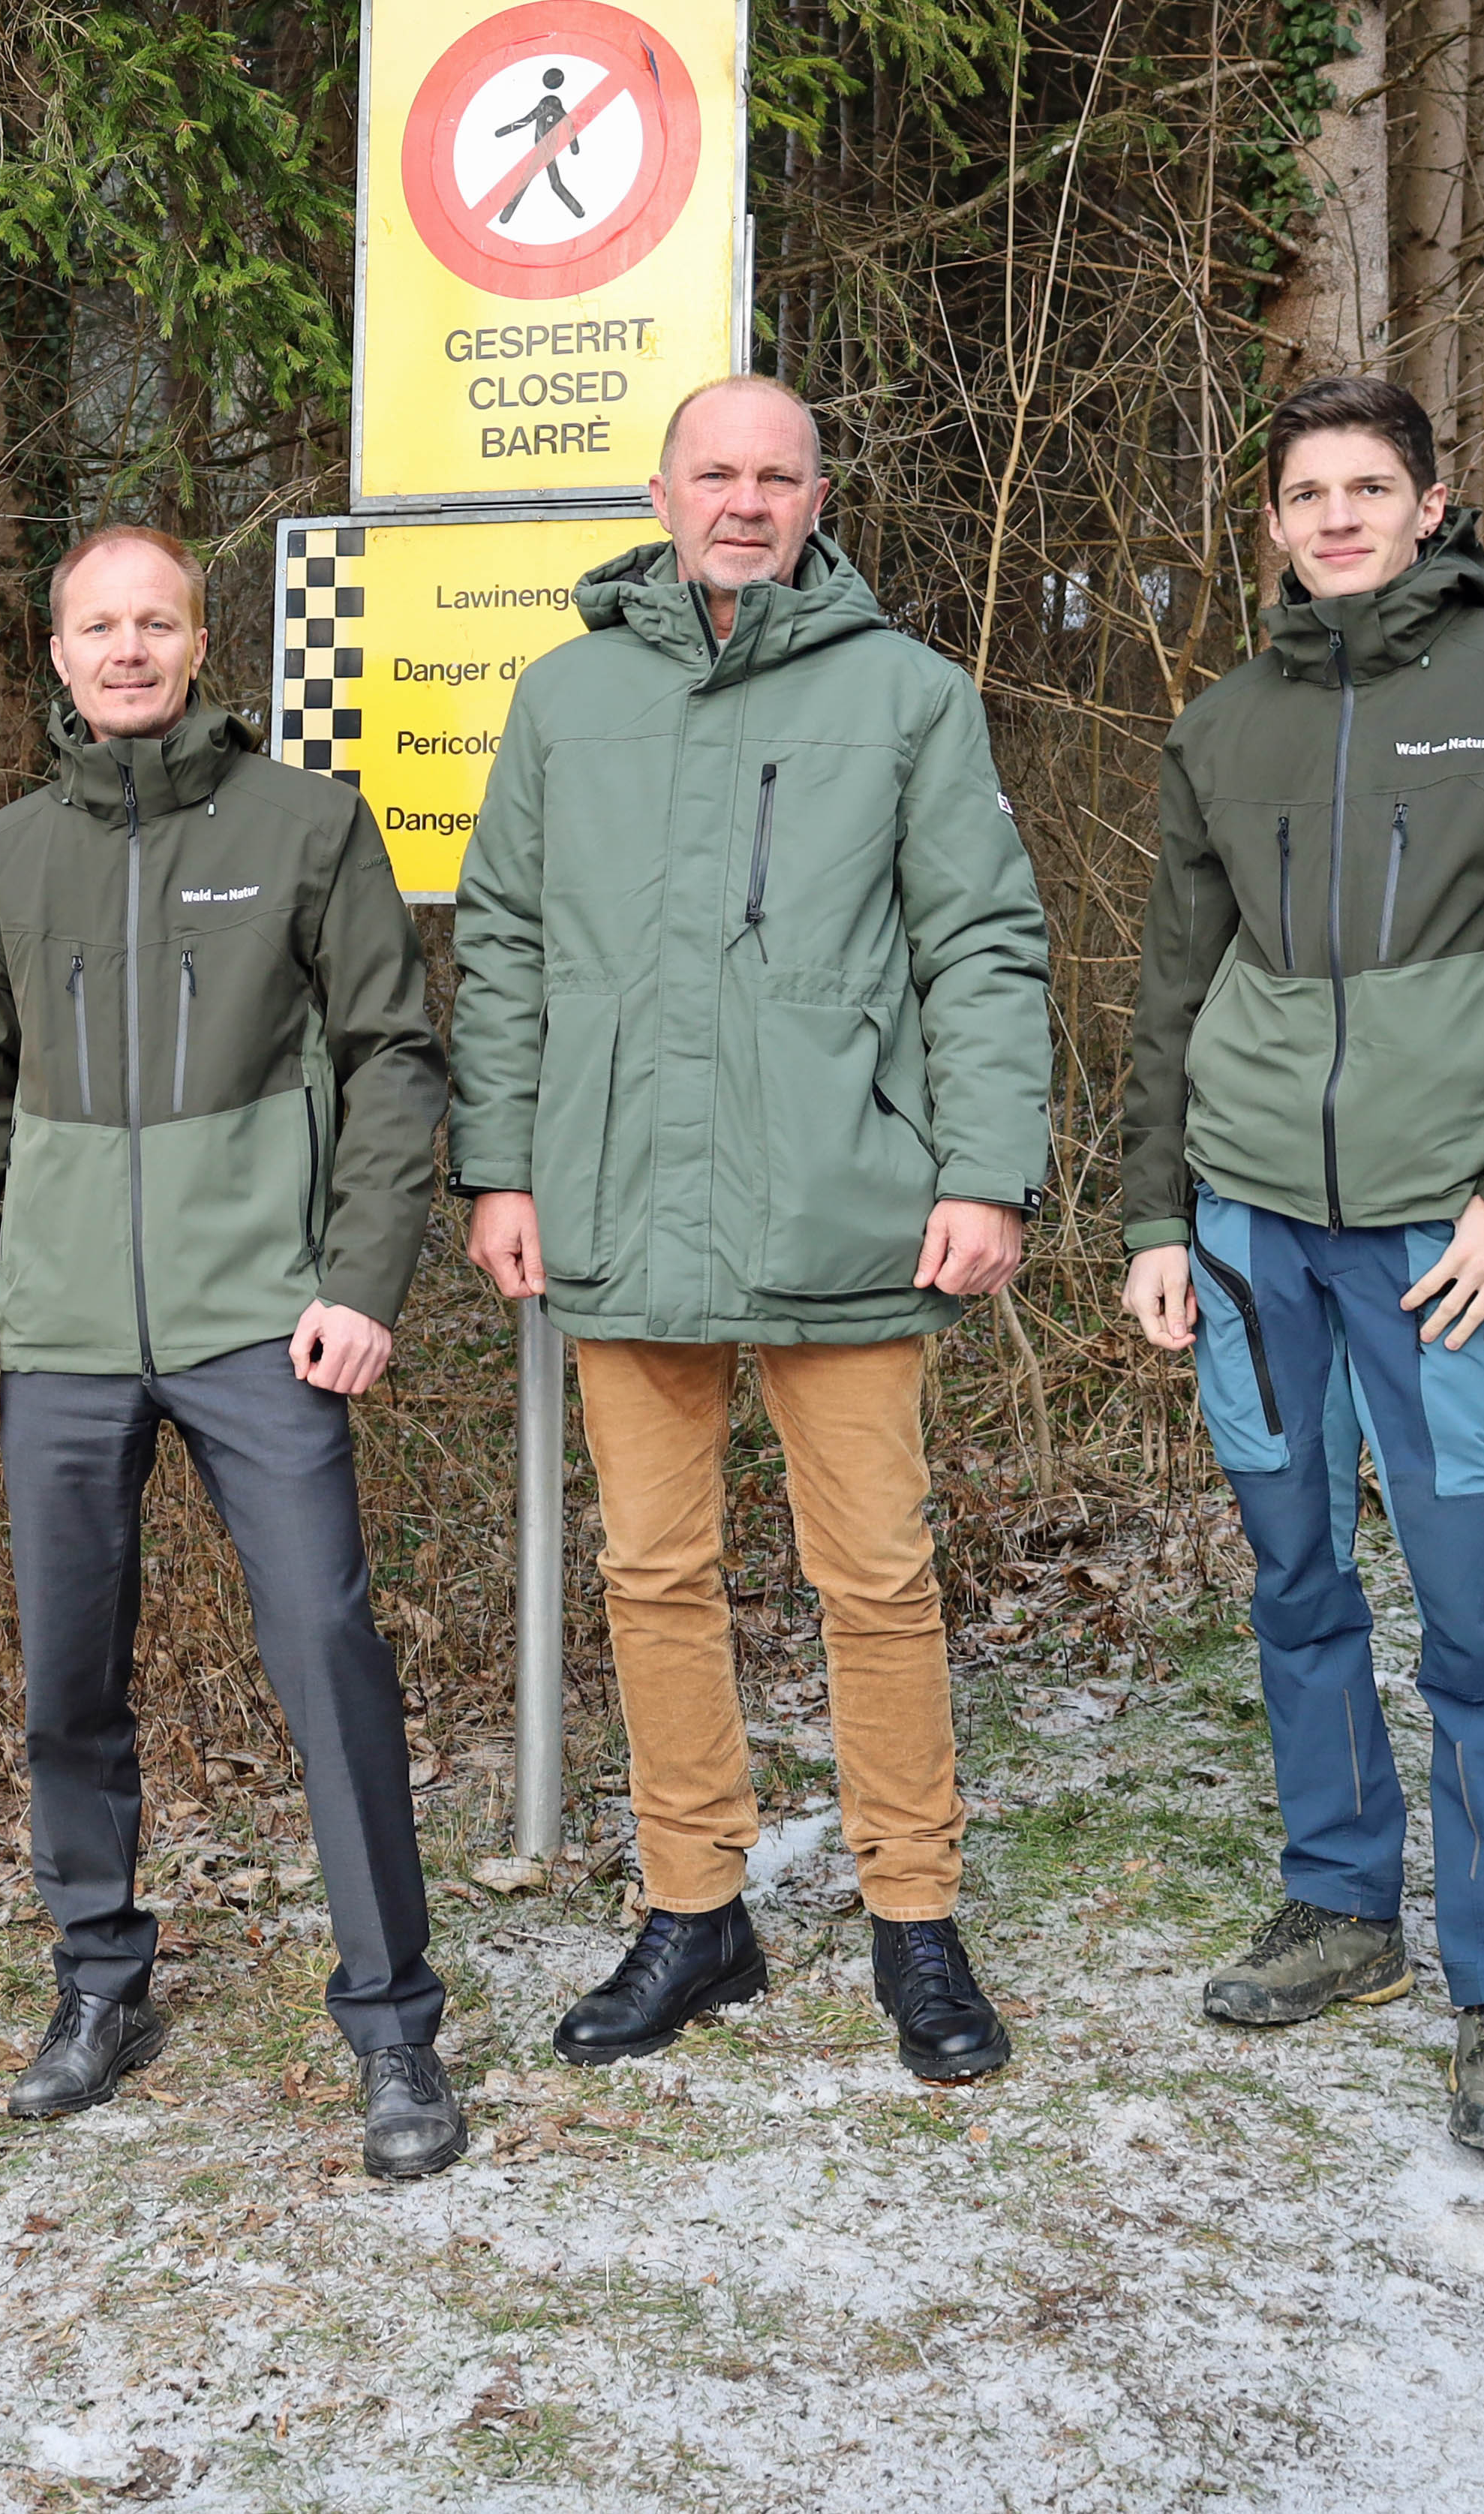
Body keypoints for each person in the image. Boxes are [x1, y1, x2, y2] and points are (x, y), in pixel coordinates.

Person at [452, 375, 1053, 2083]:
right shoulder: (567, 699)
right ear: (663, 488)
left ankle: (915, 1918)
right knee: (653, 1571)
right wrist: (503, 1166)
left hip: (844, 1208)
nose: (743, 499)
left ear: (816, 497)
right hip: (621, 1199)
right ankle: (693, 1907)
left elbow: (986, 949)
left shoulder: (910, 698)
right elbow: (502, 944)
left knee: (874, 1573)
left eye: (775, 474)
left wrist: (985, 1170)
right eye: (714, 471)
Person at [1113, 373, 1484, 2174]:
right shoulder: (1220, 725)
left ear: (1434, 502)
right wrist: (1149, 1215)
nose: (1338, 515)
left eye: (1371, 485)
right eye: (1305, 491)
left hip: (1450, 1242)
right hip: (1256, 1231)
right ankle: (1342, 1905)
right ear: (1268, 522)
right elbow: (1171, 999)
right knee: (1295, 1579)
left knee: (1479, 1614)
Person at [0, 524, 467, 2181]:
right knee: (69, 1670)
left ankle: (394, 2024)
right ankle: (99, 1982)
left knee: (325, 1648)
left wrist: (363, 1275)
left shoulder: (306, 821)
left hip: (260, 1315)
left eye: (157, 620)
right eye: (101, 624)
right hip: (65, 1330)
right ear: (60, 649)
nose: (130, 648)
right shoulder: (6, 853)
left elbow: (393, 1054)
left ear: (200, 639)